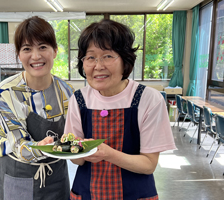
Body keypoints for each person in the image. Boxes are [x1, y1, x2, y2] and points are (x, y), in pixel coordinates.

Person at [64, 19, 176, 200]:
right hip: (86, 193)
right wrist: (72, 148)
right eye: (91, 57)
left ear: (125, 60)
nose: (98, 66)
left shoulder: (148, 99)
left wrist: (108, 154)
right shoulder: (79, 100)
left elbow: (148, 165)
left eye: (108, 56)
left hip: (136, 194)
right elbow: (77, 160)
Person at [0, 16, 74, 200]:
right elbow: (19, 142)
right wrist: (40, 146)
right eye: (27, 49)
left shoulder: (66, 91)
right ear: (19, 55)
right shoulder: (6, 91)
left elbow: (71, 136)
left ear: (55, 51)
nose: (35, 56)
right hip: (18, 175)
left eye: (43, 47)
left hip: (57, 176)